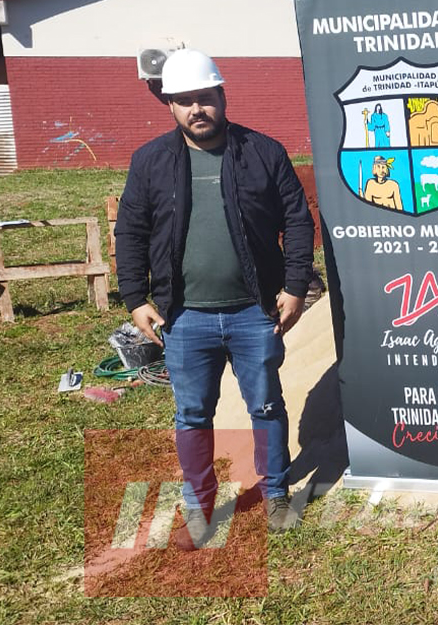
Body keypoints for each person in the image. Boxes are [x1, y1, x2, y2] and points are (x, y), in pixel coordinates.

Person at [115, 49, 315, 544]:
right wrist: (136, 297)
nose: (195, 110)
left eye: (204, 98)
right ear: (169, 105)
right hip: (184, 318)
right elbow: (130, 231)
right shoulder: (151, 161)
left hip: (254, 311)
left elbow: (297, 219)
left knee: (266, 405)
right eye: (183, 101)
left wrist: (293, 287)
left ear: (222, 96)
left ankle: (276, 495)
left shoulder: (263, 152)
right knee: (191, 414)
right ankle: (199, 508)